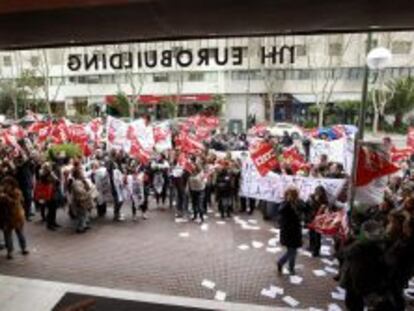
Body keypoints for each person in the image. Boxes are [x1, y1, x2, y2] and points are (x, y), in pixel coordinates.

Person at [0, 176, 29, 259]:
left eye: (7, 184)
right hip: (5, 217)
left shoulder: (17, 192)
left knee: (20, 233)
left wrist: (6, 198)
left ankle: (23, 248)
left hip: (16, 216)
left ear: (12, 185)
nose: (5, 186)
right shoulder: (2, 191)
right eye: (4, 184)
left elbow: (16, 203)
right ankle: (10, 251)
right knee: (7, 235)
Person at [277, 188, 302, 275]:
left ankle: (291, 267)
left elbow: (304, 209)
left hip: (294, 232)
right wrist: (288, 202)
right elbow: (281, 211)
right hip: (289, 232)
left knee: (293, 251)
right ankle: (281, 262)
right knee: (292, 251)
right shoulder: (285, 205)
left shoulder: (296, 203)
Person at [305, 186, 328, 257]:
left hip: (318, 220)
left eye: (320, 192)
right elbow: (307, 206)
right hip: (311, 218)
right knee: (311, 233)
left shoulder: (324, 200)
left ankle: (316, 251)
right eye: (317, 191)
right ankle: (311, 246)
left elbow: (324, 211)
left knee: (317, 236)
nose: (318, 193)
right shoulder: (311, 197)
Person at [70, 168, 94, 233]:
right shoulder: (76, 183)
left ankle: (84, 225)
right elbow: (80, 192)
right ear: (78, 175)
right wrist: (87, 192)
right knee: (81, 214)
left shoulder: (81, 181)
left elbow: (87, 188)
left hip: (84, 199)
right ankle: (80, 227)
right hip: (80, 200)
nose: (82, 174)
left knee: (84, 213)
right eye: (81, 173)